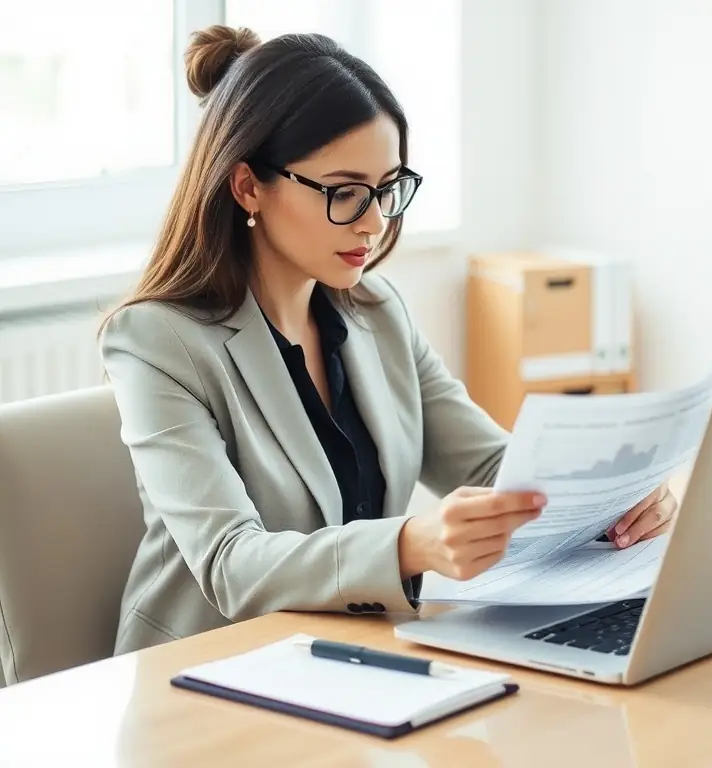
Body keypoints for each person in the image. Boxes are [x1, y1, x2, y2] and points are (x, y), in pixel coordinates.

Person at [99, 24, 679, 654]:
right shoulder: (156, 341)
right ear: (248, 186)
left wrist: (610, 499)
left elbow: (492, 465)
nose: (374, 221)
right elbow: (231, 564)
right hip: (203, 674)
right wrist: (412, 545)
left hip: (348, 651)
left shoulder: (377, 312)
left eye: (387, 189)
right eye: (345, 192)